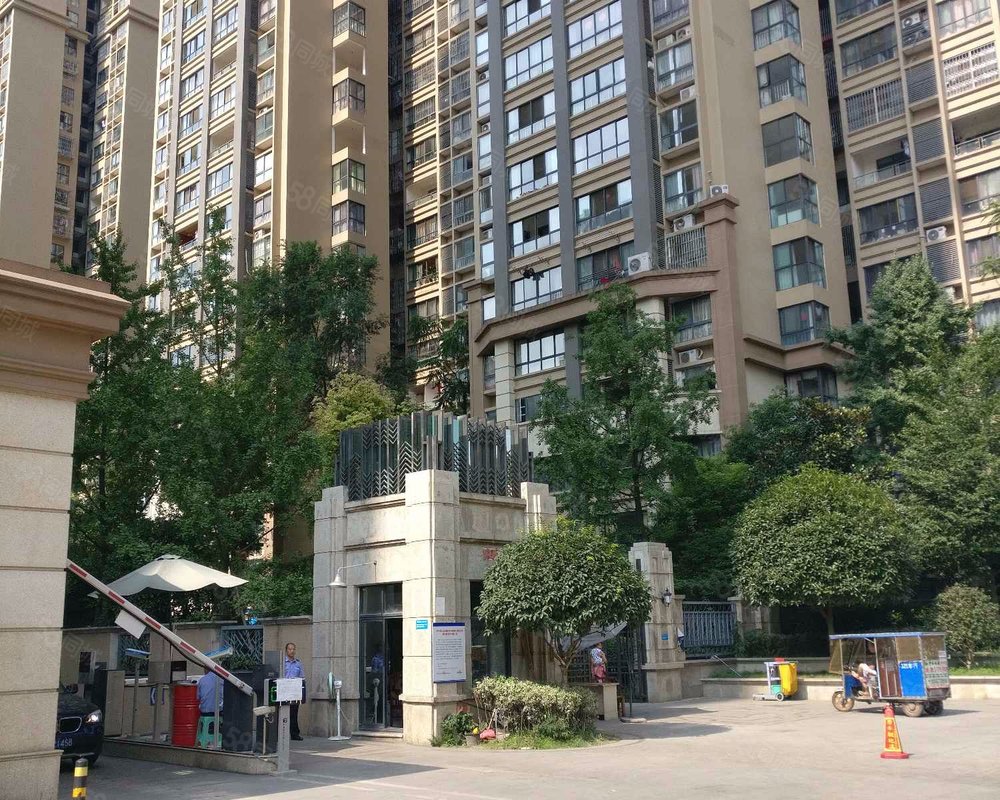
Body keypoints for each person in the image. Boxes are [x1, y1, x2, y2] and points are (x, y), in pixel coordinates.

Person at [284, 642, 305, 741]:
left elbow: (302, 677)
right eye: (290, 649)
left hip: (294, 691)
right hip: (284, 691)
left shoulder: (298, 663)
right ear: (286, 650)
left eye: (293, 649)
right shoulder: (283, 663)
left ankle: (294, 734)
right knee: (283, 712)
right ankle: (281, 734)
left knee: (293, 713)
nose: (292, 651)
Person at [196, 670, 223, 747]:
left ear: (205, 669)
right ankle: (219, 740)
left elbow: (198, 697)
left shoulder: (202, 680)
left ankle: (203, 740)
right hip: (217, 711)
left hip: (204, 711)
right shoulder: (221, 680)